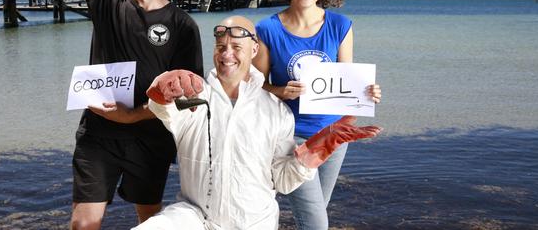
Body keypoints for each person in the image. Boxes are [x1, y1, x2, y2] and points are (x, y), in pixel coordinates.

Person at [129, 16, 381, 229]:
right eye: (220, 47)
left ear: (254, 50)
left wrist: (314, 151)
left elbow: (282, 180)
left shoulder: (276, 112)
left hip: (253, 222)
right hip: (194, 216)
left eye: (236, 47)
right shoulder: (194, 98)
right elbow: (163, 108)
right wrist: (163, 84)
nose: (227, 54)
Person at [68, 0, 203, 229]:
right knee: (84, 224)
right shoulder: (108, 4)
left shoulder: (183, 25)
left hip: (150, 137)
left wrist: (133, 115)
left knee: (149, 222)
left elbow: (191, 99)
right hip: (98, 134)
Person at [252, 0, 382, 230]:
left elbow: (347, 81)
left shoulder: (340, 25)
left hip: (333, 136)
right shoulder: (267, 29)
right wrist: (281, 91)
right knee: (316, 223)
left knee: (315, 213)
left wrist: (367, 93)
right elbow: (257, 85)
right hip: (291, 137)